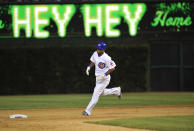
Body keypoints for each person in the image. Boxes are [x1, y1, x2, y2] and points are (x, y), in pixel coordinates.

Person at [82, 42, 121, 116]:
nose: (98, 50)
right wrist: (89, 67)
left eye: (99, 49)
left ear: (103, 50)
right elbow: (93, 61)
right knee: (101, 93)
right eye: (97, 48)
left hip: (105, 79)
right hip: (98, 78)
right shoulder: (95, 53)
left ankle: (87, 111)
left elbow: (113, 68)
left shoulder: (107, 58)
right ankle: (117, 90)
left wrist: (105, 75)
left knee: (95, 94)